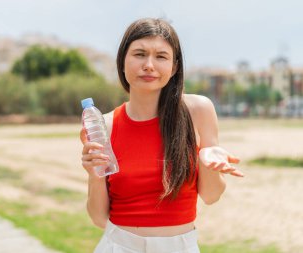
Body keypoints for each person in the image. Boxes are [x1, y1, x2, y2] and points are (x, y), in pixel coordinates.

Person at [80, 17, 244, 253]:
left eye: (161, 56)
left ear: (174, 66)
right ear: (122, 62)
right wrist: (94, 174)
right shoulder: (102, 124)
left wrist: (206, 159)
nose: (149, 65)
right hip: (119, 246)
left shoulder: (199, 110)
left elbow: (211, 196)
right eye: (139, 54)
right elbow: (98, 218)